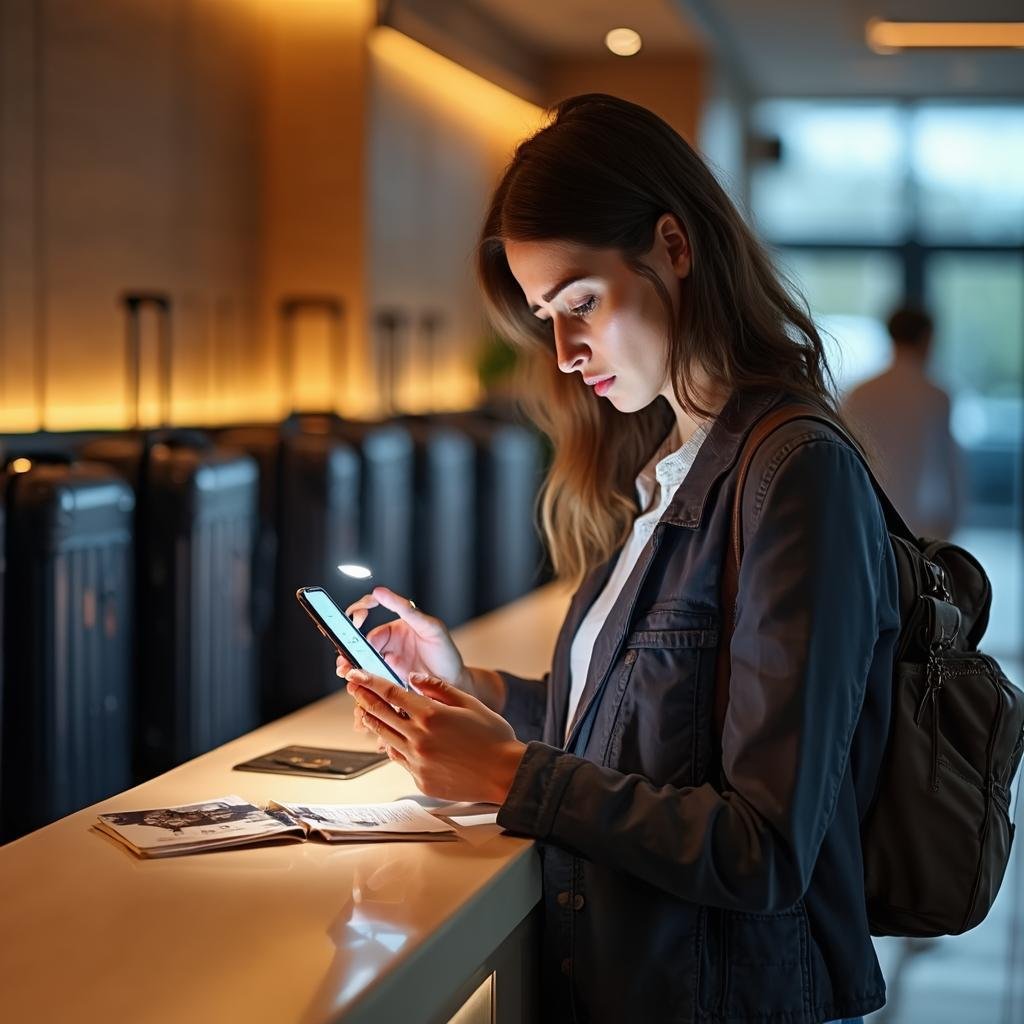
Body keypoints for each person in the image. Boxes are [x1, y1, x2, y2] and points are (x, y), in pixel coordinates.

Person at [337, 94, 898, 1024]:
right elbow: (642, 735)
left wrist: (513, 776)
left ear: (674, 247)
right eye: (545, 316)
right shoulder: (669, 469)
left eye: (582, 302)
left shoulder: (794, 474)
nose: (563, 352)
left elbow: (763, 847)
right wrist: (472, 690)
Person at [842, 306, 962, 539]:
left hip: (871, 517)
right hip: (924, 525)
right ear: (927, 339)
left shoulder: (859, 394)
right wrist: (954, 521)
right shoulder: (936, 395)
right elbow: (948, 466)